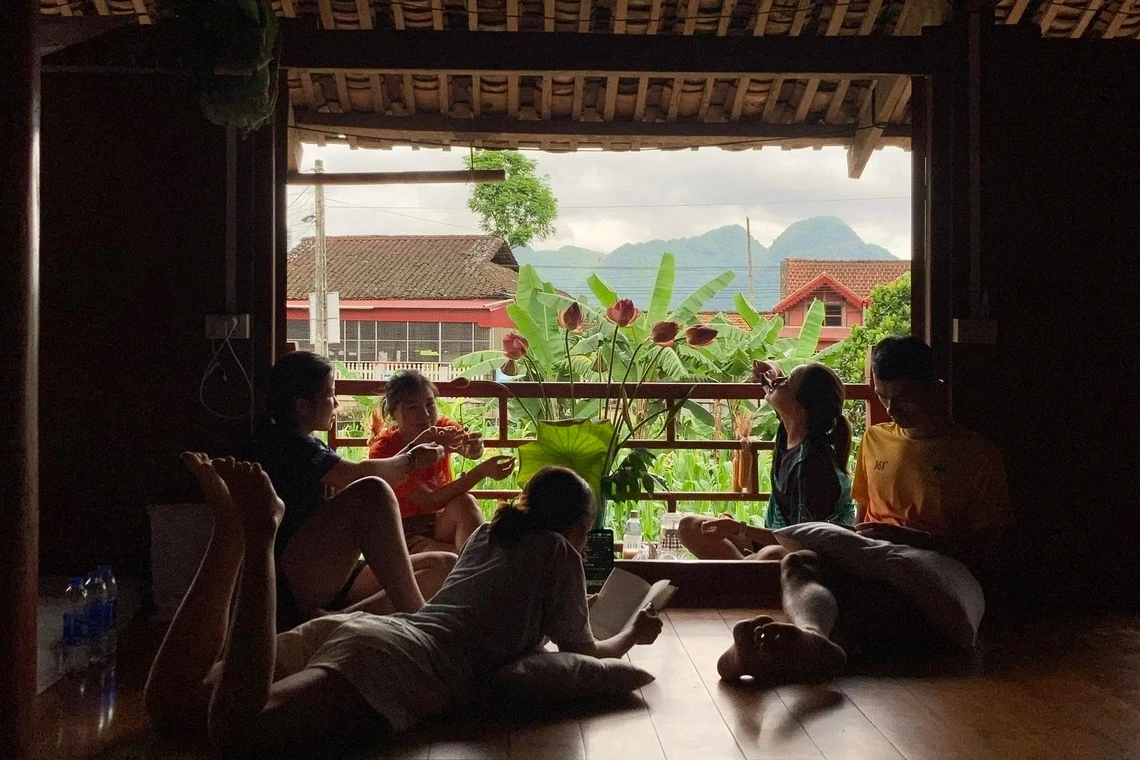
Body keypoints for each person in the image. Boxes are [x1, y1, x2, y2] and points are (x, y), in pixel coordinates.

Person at [145, 457, 664, 752]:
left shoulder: (490, 535)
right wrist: (631, 636)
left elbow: (492, 602)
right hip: (398, 661)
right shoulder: (559, 553)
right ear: (578, 529)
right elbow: (586, 651)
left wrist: (567, 602)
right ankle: (259, 534)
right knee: (240, 732)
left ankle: (230, 533)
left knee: (171, 708)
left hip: (371, 631)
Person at [717, 336, 1012, 684]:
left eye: (903, 397)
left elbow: (987, 554)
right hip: (874, 558)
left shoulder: (977, 455)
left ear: (935, 388)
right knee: (799, 563)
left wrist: (905, 538)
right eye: (883, 397)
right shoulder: (875, 440)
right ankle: (812, 638)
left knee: (871, 604)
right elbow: (862, 520)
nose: (892, 409)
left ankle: (779, 654)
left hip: (931, 568)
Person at [243, 351, 458, 630]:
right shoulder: (284, 442)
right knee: (372, 494)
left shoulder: (301, 441)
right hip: (294, 579)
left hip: (327, 571)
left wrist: (412, 453)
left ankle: (329, 625)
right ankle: (419, 619)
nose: (335, 403)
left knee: (444, 565)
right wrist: (413, 459)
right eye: (330, 394)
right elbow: (358, 476)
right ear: (303, 406)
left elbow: (369, 473)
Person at [679, 361, 854, 561]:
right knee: (689, 526)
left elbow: (801, 542)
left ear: (798, 407)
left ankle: (747, 567)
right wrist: (771, 371)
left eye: (786, 381)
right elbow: (775, 388)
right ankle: (748, 566)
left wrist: (739, 529)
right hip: (776, 542)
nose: (777, 382)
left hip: (808, 558)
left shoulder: (814, 466)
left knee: (769, 555)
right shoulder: (790, 428)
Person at [368, 370, 514, 553]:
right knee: (454, 555)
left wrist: (473, 447)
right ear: (393, 413)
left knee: (465, 504)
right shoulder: (384, 450)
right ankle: (475, 562)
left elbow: (466, 447)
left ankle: (473, 560)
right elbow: (427, 501)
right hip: (402, 532)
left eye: (430, 404)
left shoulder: (442, 428)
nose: (425, 414)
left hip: (440, 523)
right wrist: (481, 472)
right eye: (412, 408)